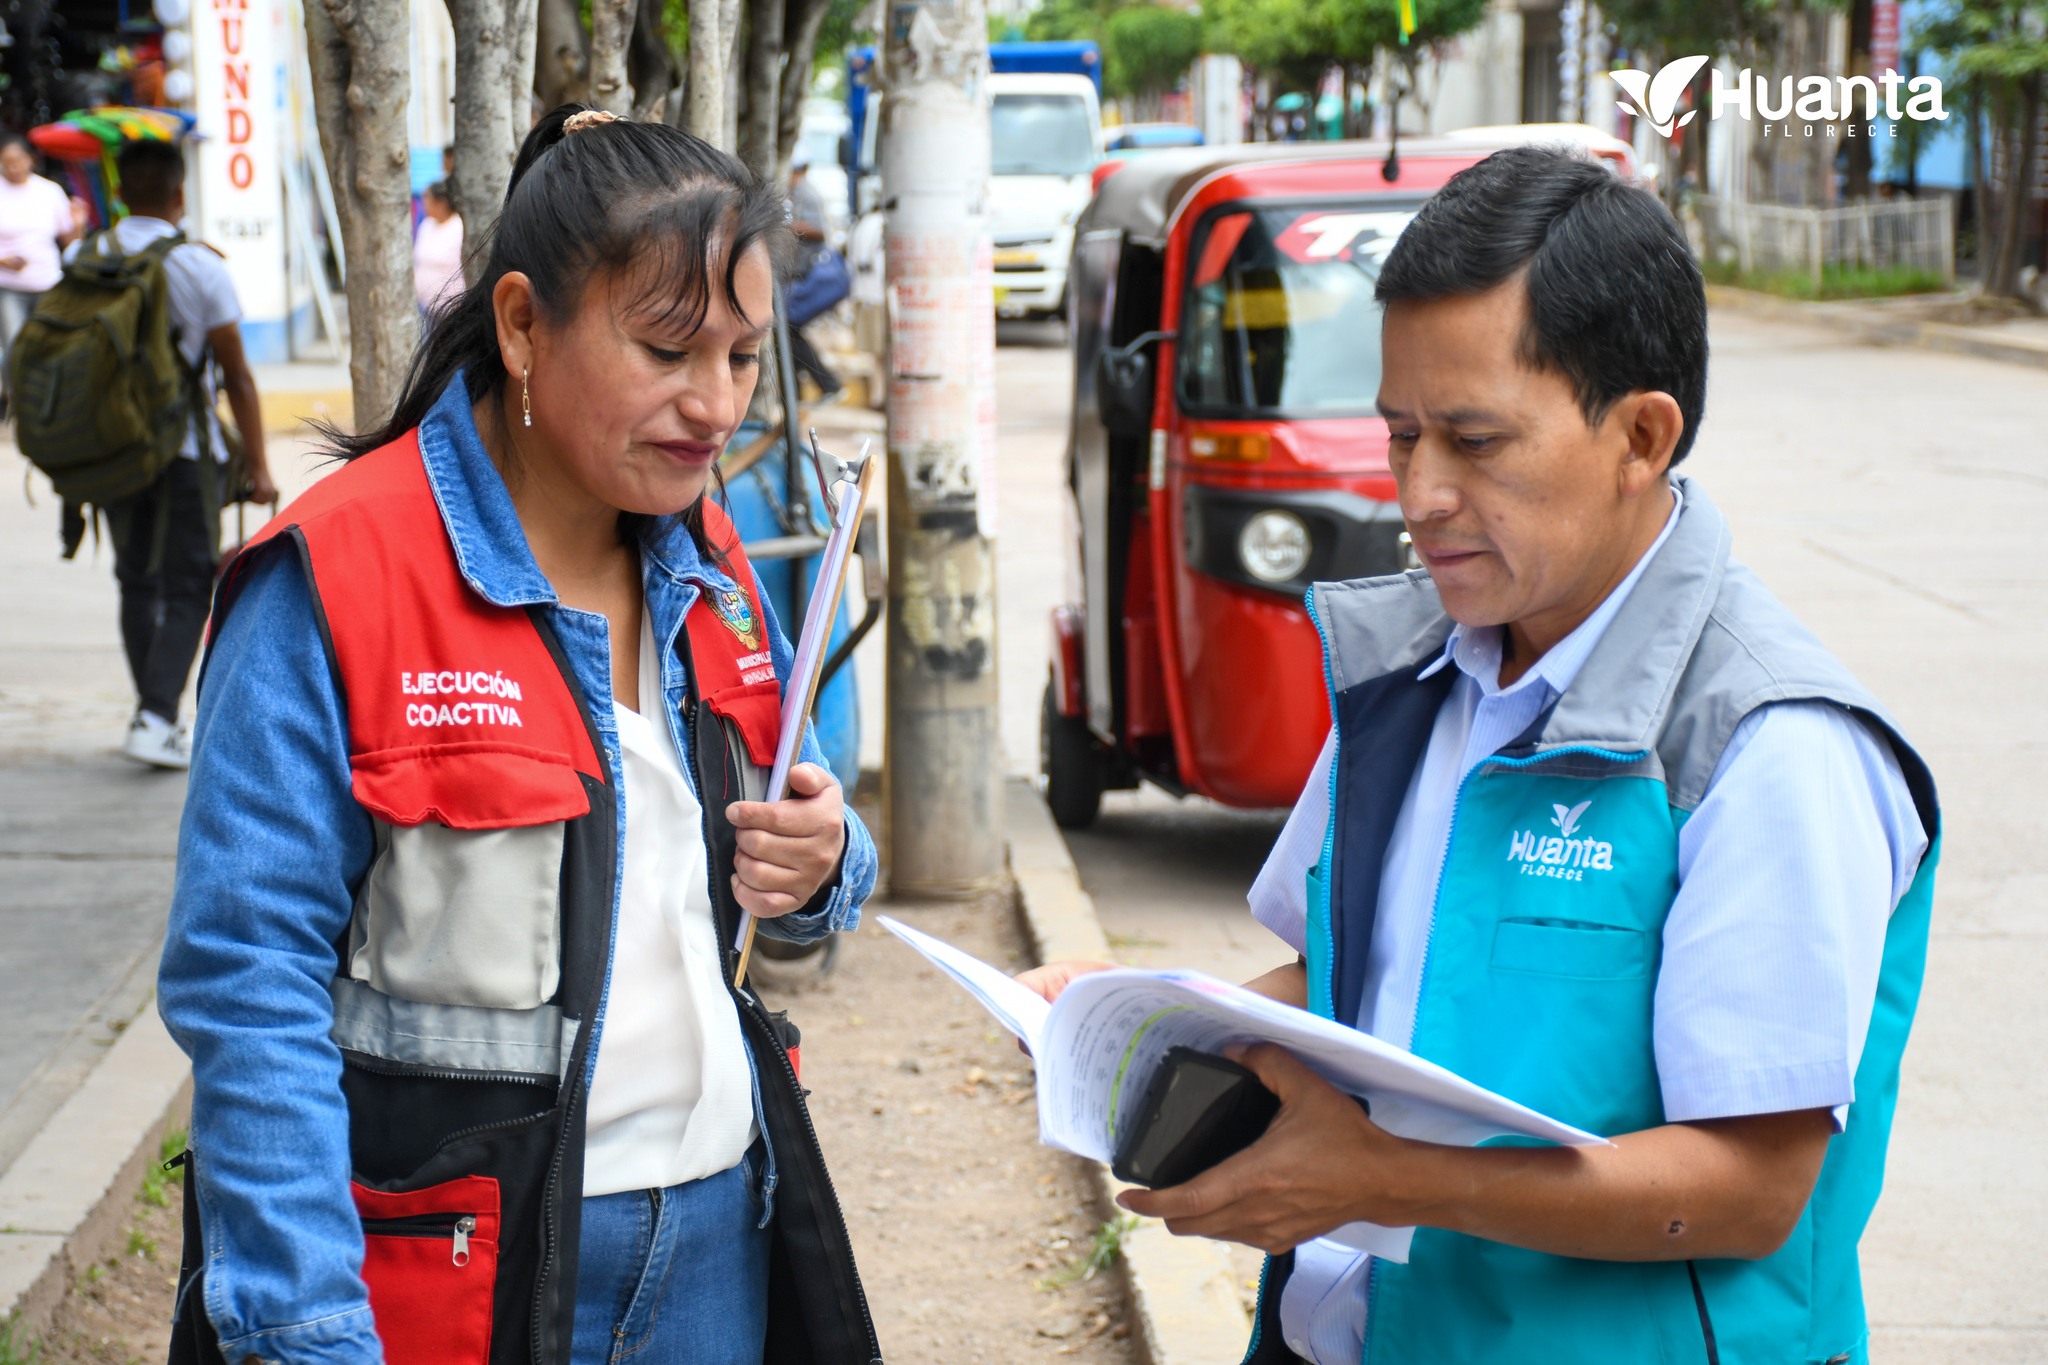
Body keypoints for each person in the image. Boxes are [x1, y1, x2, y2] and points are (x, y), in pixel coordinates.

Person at [1023, 146, 1939, 1364]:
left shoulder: (1765, 744)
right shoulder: (1411, 670)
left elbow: (1746, 1188)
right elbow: (1353, 979)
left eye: (1474, 440)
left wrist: (1389, 1179)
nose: (1421, 494)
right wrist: (1132, 1029)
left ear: (1640, 436)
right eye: (1402, 435)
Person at [157, 106, 881, 1365]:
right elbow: (246, 981)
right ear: (520, 325)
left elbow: (797, 842)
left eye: (744, 357)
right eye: (666, 351)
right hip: (453, 1271)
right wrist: (306, 1325)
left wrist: (822, 860)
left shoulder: (707, 562)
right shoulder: (334, 578)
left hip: (719, 1240)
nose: (715, 407)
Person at [89, 138, 273, 769]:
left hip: (110, 448)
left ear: (117, 194)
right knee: (192, 581)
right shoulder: (201, 268)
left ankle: (153, 711)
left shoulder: (84, 257)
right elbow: (236, 376)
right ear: (178, 195)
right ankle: (156, 715)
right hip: (184, 451)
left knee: (136, 578)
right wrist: (259, 464)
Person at [0, 133, 84, 414]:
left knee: (52, 344)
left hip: (48, 282)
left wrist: (79, 224)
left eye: (18, 161)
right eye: (7, 163)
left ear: (31, 160)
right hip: (10, 286)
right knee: (15, 346)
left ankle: (52, 405)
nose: (13, 168)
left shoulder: (49, 191)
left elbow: (68, 240)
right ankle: (20, 407)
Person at [780, 155, 849, 398]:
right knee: (787, 331)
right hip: (797, 276)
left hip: (806, 277)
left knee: (787, 327)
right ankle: (798, 391)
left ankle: (827, 385)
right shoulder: (795, 193)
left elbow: (820, 231)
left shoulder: (806, 193)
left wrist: (787, 227)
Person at [413, 179, 465, 319]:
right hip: (424, 306)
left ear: (441, 203)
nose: (424, 203)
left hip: (450, 309)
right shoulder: (426, 224)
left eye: (427, 198)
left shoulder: (458, 227)